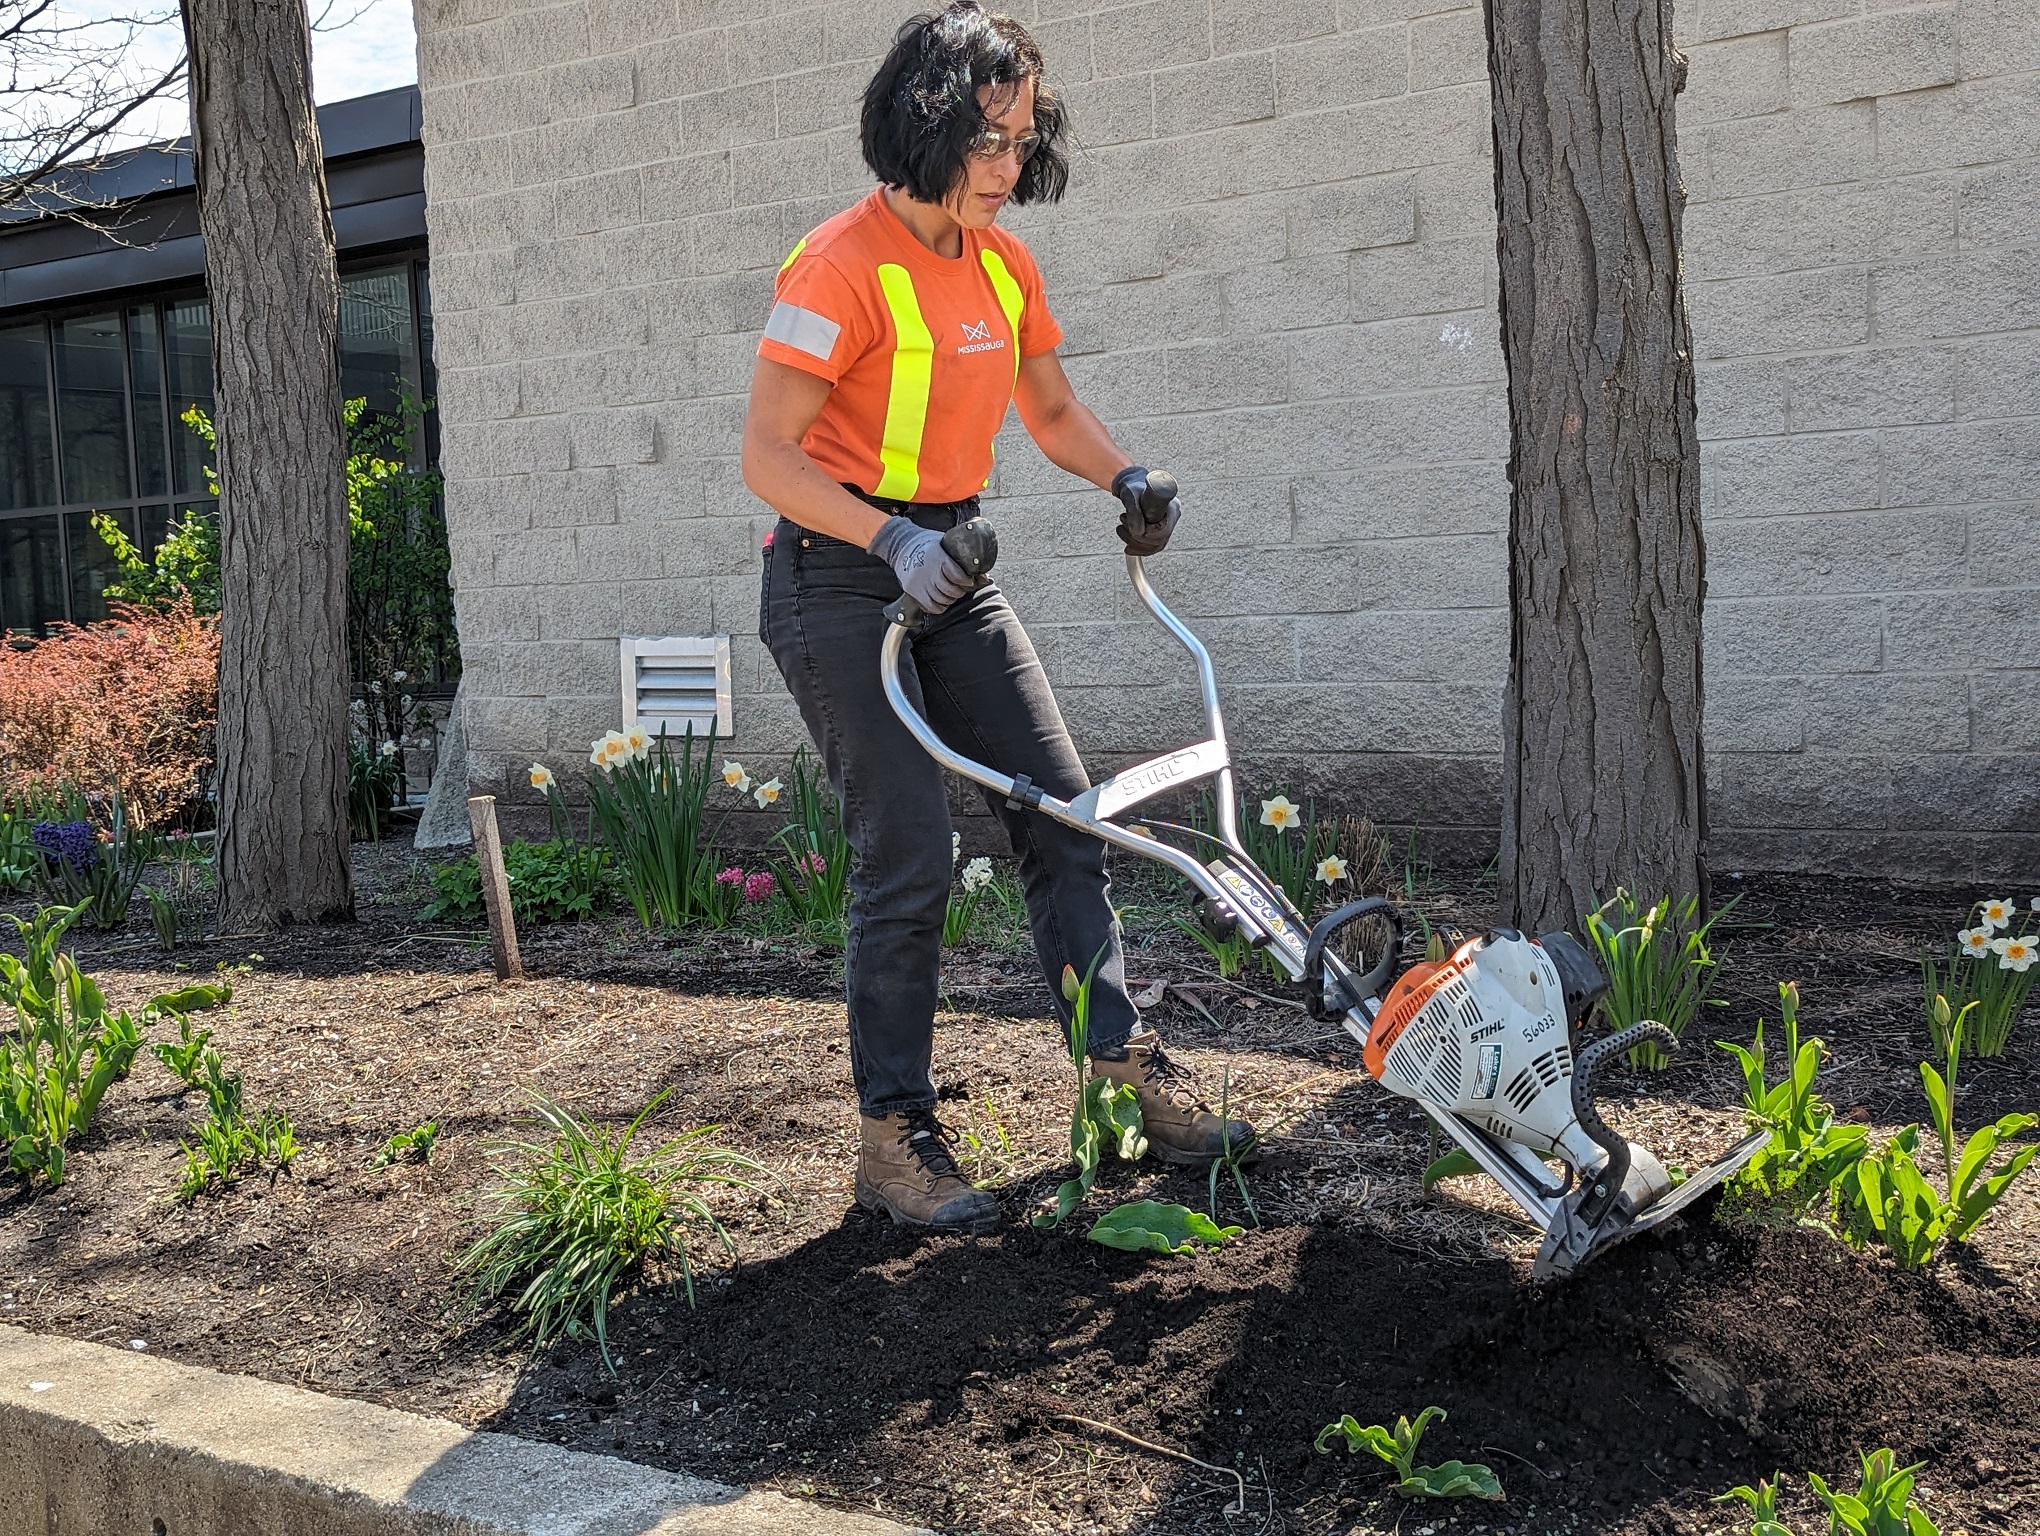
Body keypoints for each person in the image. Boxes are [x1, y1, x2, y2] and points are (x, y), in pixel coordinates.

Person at [741, 1, 1253, 1234]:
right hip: (837, 575)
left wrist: (1128, 478)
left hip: (954, 566)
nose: (1007, 164)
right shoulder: (837, 266)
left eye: (1023, 140)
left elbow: (1053, 413)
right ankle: (893, 1141)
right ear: (922, 127)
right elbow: (768, 456)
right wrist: (891, 539)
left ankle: (1122, 1078)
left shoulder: (1006, 267)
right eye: (986, 137)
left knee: (1067, 816)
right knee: (911, 852)